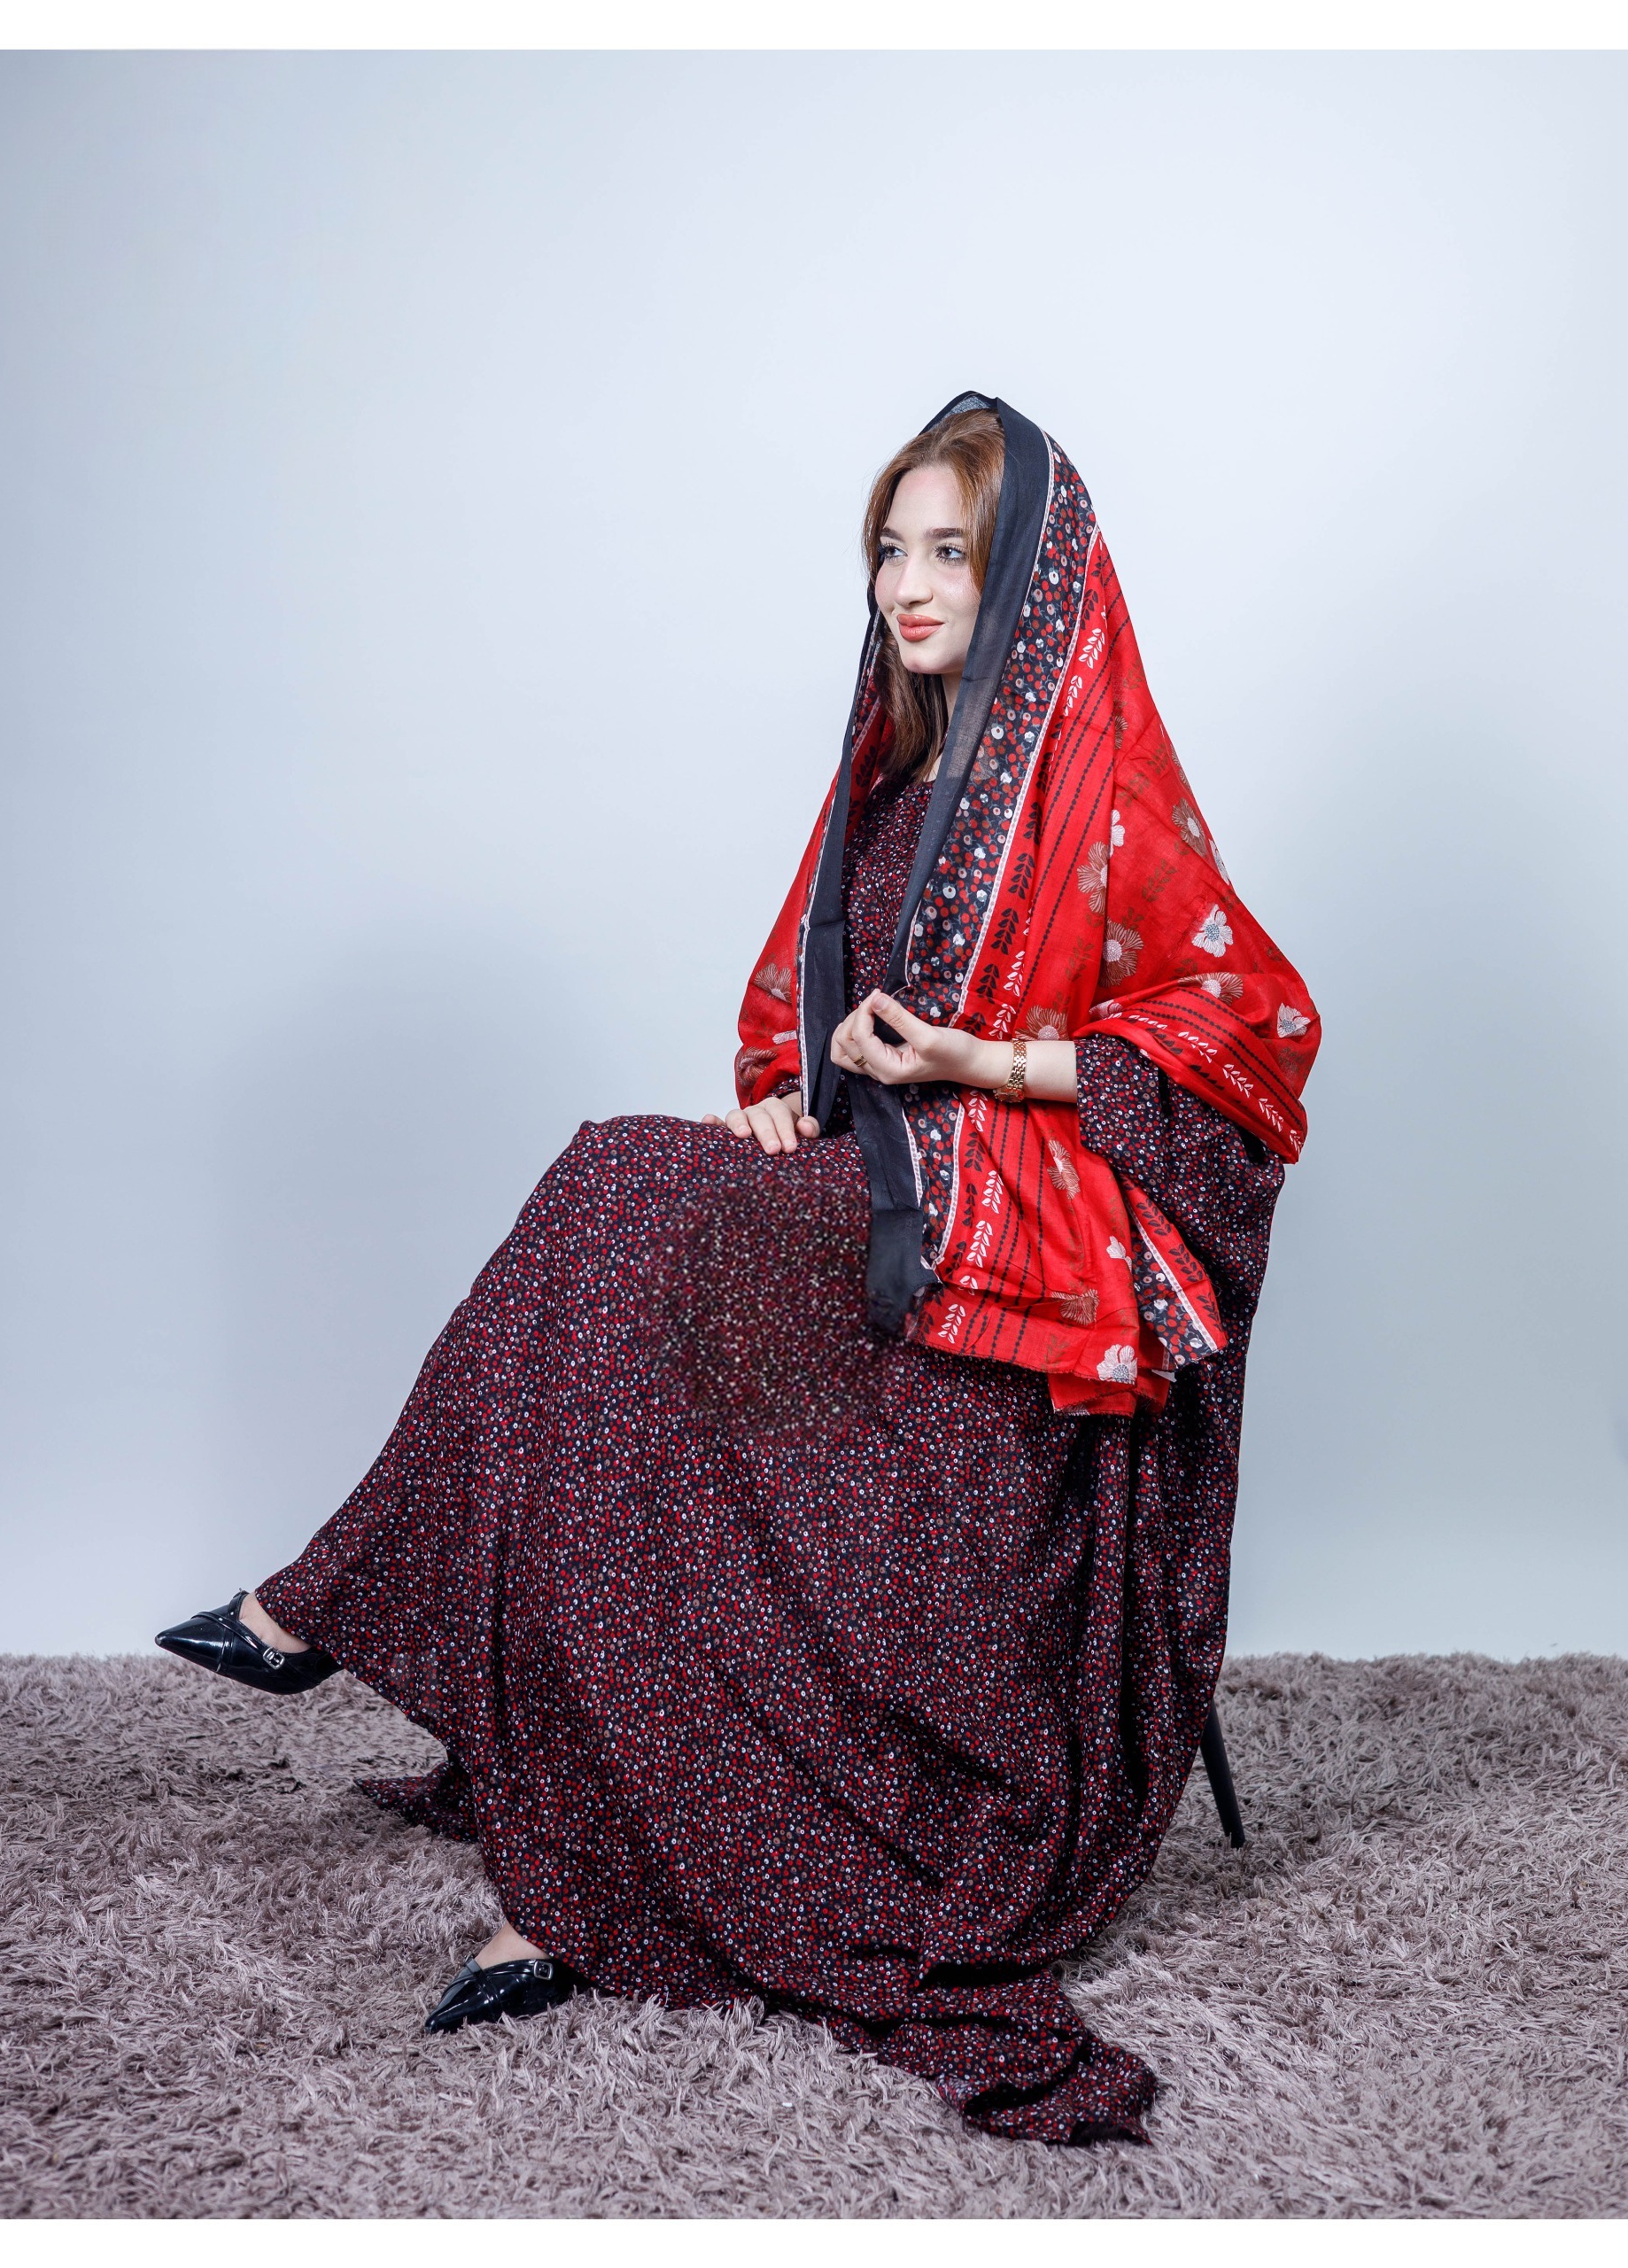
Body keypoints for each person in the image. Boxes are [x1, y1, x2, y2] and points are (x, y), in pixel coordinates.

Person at [158, 393, 1320, 2145]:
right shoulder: (887, 773)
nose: (907, 584)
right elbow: (801, 1013)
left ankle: (330, 1613)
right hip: (874, 1208)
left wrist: (983, 1065)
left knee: (615, 1190)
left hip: (1018, 1284)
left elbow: (1249, 1050)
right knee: (614, 1293)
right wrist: (788, 1094)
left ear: (1027, 579)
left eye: (950, 552)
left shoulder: (1106, 804)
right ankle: (559, 1854)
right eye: (889, 548)